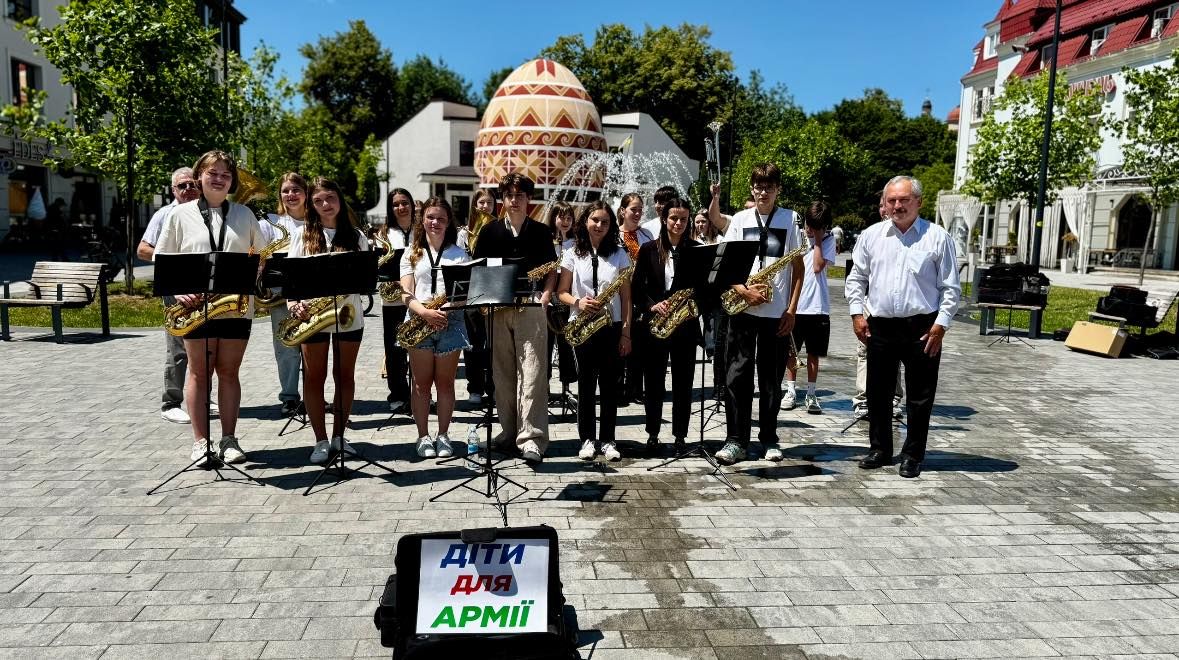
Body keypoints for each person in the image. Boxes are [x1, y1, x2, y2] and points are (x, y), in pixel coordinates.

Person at [845, 175, 961, 479]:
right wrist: (857, 314)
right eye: (892, 200)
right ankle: (880, 449)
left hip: (923, 328)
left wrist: (941, 325)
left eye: (904, 200)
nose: (897, 206)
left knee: (920, 396)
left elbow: (950, 288)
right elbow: (857, 278)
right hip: (880, 325)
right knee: (877, 392)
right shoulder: (871, 236)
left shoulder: (937, 238)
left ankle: (913, 454)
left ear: (919, 202)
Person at [154, 150, 263, 465]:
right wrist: (179, 291)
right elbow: (163, 260)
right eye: (212, 173)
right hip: (195, 308)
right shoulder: (178, 215)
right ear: (199, 176)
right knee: (199, 373)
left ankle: (229, 440)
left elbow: (259, 256)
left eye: (225, 175)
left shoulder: (244, 214)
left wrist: (257, 269)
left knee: (229, 372)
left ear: (232, 182)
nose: (219, 179)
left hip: (234, 308)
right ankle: (201, 443)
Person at [713, 162, 803, 466]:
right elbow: (726, 267)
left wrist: (791, 310)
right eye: (758, 186)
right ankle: (736, 439)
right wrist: (745, 292)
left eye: (769, 187)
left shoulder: (790, 219)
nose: (763, 191)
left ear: (777, 189)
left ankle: (769, 438)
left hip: (776, 314)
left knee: (770, 379)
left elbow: (798, 269)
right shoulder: (739, 220)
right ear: (752, 188)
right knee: (736, 375)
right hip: (743, 309)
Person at [472, 172, 556, 463]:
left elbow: (551, 270)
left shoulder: (542, 232)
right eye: (509, 195)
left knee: (532, 375)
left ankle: (532, 438)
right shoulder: (489, 232)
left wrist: (545, 297)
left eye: (520, 195)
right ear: (503, 199)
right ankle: (508, 433)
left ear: (528, 199)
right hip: (498, 309)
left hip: (531, 307)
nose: (514, 200)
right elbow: (479, 271)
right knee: (502, 375)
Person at [285, 177, 370, 464]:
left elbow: (365, 280)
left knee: (344, 376)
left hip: (349, 314)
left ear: (339, 199)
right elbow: (291, 280)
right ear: (311, 204)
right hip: (312, 316)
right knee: (314, 376)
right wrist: (294, 303)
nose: (325, 205)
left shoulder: (357, 236)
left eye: (330, 198)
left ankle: (339, 436)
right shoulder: (301, 234)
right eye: (318, 200)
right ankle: (320, 440)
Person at [557, 201, 632, 461]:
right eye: (595, 220)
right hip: (582, 325)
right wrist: (579, 302)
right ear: (585, 221)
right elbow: (561, 292)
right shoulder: (571, 252)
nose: (599, 225)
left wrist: (625, 332)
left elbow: (626, 298)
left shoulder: (620, 254)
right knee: (586, 385)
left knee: (610, 386)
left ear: (611, 225)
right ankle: (587, 438)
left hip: (610, 326)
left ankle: (609, 440)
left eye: (605, 222)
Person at [399, 197, 472, 459]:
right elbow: (406, 294)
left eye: (441, 218)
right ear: (423, 220)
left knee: (445, 383)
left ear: (448, 221)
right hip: (420, 318)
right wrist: (426, 313)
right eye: (430, 217)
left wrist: (449, 308)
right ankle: (422, 437)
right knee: (420, 385)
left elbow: (465, 294)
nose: (435, 223)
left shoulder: (460, 254)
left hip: (449, 320)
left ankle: (443, 435)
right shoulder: (411, 253)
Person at [633, 198, 699, 456]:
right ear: (664, 218)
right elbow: (638, 288)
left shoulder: (696, 249)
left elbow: (703, 289)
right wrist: (652, 305)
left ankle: (680, 435)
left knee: (684, 384)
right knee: (654, 382)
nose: (679, 223)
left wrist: (691, 308)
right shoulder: (648, 249)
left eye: (683, 218)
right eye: (674, 218)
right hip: (656, 326)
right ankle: (652, 433)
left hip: (684, 326)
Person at [137, 167, 201, 424]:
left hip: (203, 288)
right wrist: (170, 259)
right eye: (182, 186)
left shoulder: (205, 212)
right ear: (173, 190)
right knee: (178, 349)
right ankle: (171, 402)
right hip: (176, 287)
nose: (188, 190)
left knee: (204, 348)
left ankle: (201, 398)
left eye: (192, 184)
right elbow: (143, 249)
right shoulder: (166, 213)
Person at [781, 201, 837, 423]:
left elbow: (817, 266)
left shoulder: (828, 240)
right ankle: (791, 390)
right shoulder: (796, 237)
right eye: (810, 224)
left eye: (817, 226)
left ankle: (812, 393)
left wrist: (819, 239)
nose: (811, 229)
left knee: (814, 353)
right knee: (791, 352)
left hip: (818, 307)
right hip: (796, 304)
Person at [851, 197, 905, 419]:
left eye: (889, 204)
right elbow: (857, 275)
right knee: (865, 351)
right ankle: (864, 397)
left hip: (898, 309)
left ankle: (893, 396)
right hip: (871, 304)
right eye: (883, 205)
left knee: (898, 354)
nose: (886, 209)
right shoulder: (871, 235)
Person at [260, 172, 309, 417]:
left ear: (306, 193)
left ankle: (313, 396)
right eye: (285, 191)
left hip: (312, 296)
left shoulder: (317, 222)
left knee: (313, 349)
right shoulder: (269, 224)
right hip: (280, 296)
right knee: (286, 348)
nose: (290, 195)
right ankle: (289, 397)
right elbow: (256, 255)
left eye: (296, 190)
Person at [380, 188, 416, 414]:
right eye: (396, 204)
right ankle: (397, 394)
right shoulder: (384, 233)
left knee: (420, 349)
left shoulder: (422, 231)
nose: (401, 207)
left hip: (417, 299)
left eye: (405, 203)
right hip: (392, 300)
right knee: (394, 350)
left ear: (412, 204)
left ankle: (421, 395)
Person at [617, 193, 655, 404]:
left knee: (639, 342)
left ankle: (635, 388)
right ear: (623, 211)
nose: (638, 213)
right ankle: (618, 388)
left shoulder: (647, 235)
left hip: (640, 295)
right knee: (619, 338)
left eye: (640, 209)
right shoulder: (613, 235)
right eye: (633, 209)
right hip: (618, 294)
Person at [460, 189, 496, 405]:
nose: (485, 206)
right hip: (471, 291)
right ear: (475, 204)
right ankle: (474, 387)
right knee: (473, 342)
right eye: (481, 202)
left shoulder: (498, 229)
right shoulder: (464, 233)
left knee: (492, 342)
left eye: (489, 203)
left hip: (492, 287)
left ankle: (492, 386)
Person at [545, 201, 579, 393]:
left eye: (569, 218)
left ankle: (566, 384)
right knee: (546, 343)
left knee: (566, 342)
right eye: (561, 217)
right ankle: (546, 383)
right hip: (549, 296)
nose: (565, 221)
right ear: (553, 218)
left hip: (567, 295)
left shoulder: (576, 243)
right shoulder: (547, 240)